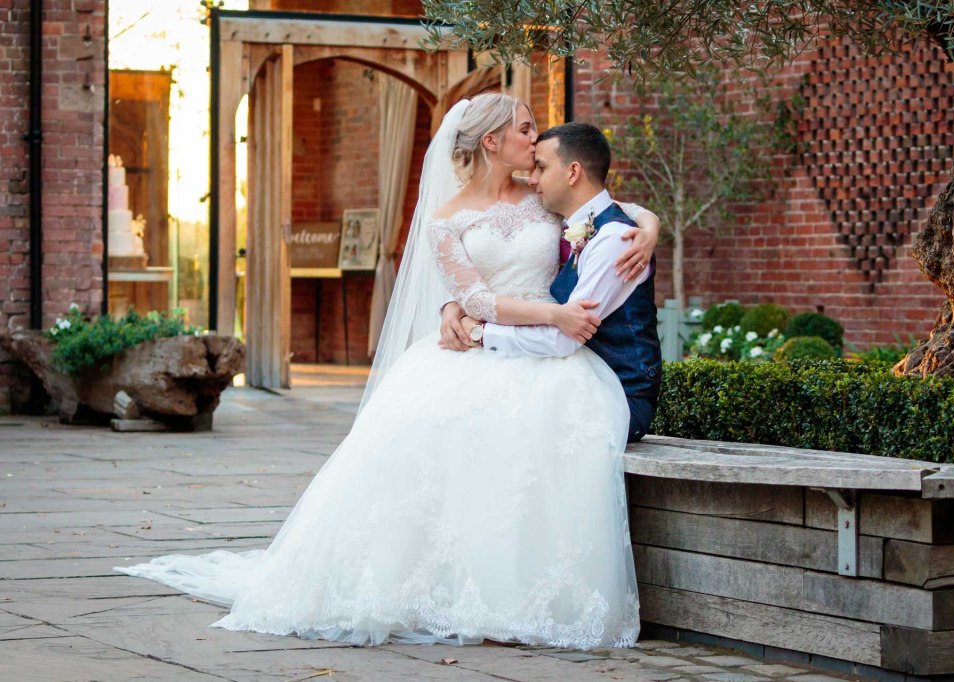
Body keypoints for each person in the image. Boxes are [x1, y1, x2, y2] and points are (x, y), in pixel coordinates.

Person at [115, 93, 659, 650]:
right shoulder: (446, 221)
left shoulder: (543, 198)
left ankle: (511, 584)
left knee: (528, 443)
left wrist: (651, 224)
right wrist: (469, 311)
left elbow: (604, 210)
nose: (536, 140)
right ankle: (434, 584)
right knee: (432, 440)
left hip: (542, 354)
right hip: (497, 341)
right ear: (492, 141)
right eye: (526, 130)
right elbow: (474, 296)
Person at [440, 122, 661, 442]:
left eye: (540, 168)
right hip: (577, 376)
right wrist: (454, 304)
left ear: (573, 172)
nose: (531, 180)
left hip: (619, 397)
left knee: (504, 425)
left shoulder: (617, 240)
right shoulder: (574, 223)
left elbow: (564, 338)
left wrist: (480, 333)